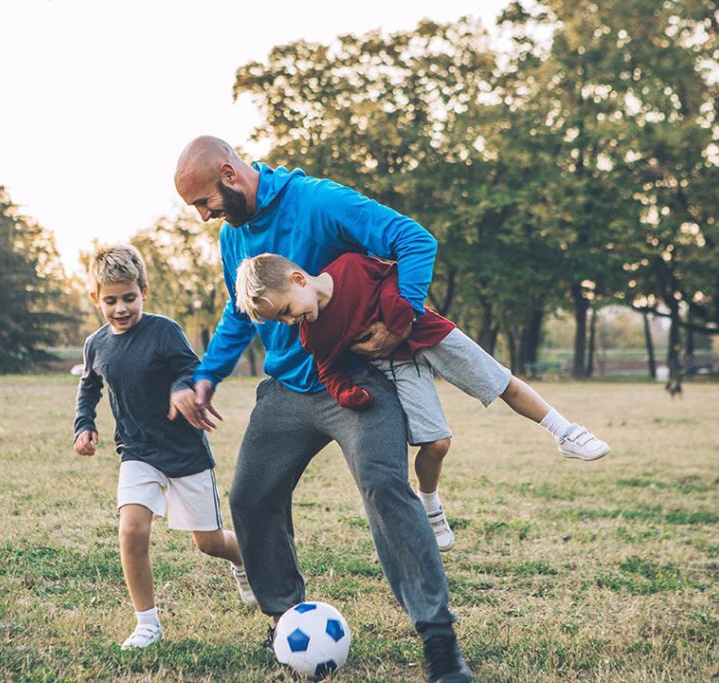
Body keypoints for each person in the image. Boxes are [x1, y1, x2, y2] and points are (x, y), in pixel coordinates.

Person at [171, 136, 472, 682]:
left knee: (383, 485)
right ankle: (287, 619)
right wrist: (207, 376)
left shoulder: (317, 201)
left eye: (203, 201)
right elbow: (241, 316)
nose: (202, 215)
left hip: (355, 376)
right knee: (251, 495)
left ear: (228, 172)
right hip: (287, 389)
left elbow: (413, 237)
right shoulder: (232, 239)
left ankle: (439, 638)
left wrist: (399, 318)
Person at [234, 252, 611, 549]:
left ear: (298, 279)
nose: (289, 321)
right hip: (396, 363)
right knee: (437, 443)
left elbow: (395, 273)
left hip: (425, 329)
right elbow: (329, 370)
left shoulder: (350, 266)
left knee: (501, 381)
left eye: (285, 310)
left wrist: (396, 312)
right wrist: (349, 393)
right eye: (281, 320)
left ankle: (565, 433)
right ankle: (431, 505)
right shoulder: (313, 334)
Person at [72, 244, 257, 651]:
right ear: (95, 298)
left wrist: (180, 390)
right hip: (136, 452)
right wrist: (84, 424)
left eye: (129, 298)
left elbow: (189, 370)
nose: (120, 308)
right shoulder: (96, 344)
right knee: (131, 530)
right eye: (110, 300)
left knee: (208, 543)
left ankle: (244, 561)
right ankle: (147, 623)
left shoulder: (164, 331)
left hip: (185, 453)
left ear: (144, 291)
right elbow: (88, 387)